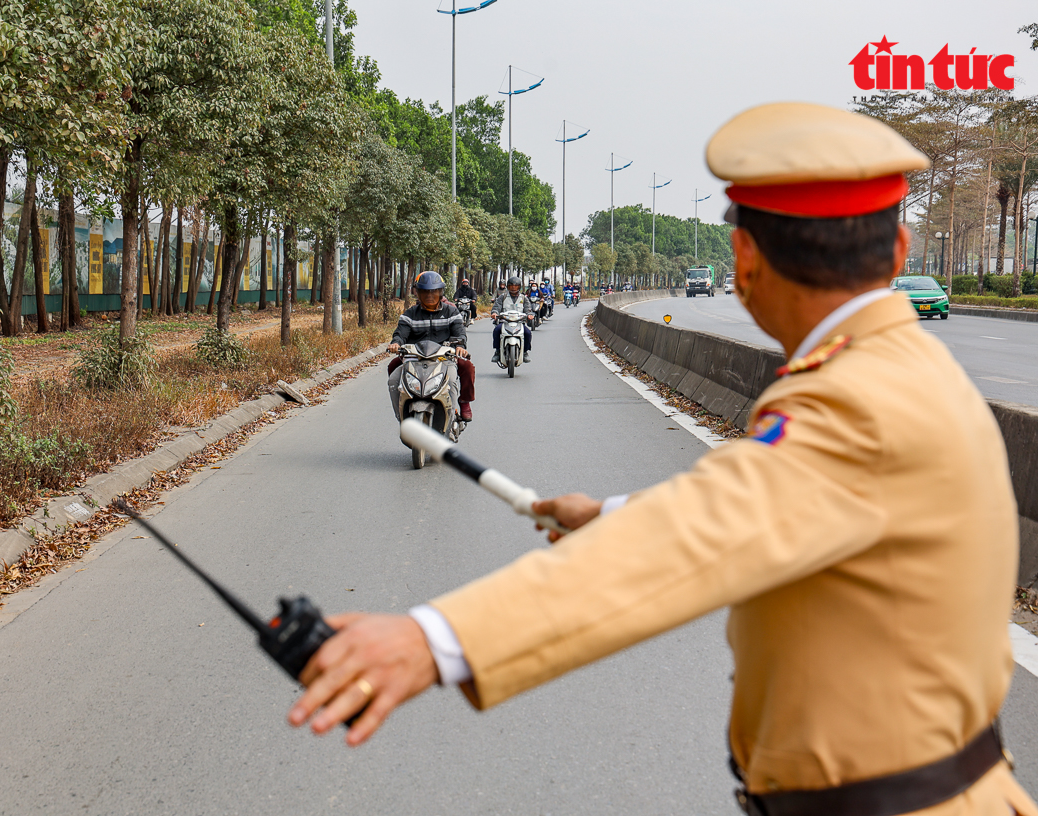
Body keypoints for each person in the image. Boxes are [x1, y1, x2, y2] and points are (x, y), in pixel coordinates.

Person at [288, 102, 1038, 816]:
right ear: (899, 250)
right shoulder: (906, 367)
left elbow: (703, 529)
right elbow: (775, 506)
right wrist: (611, 514)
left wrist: (433, 640)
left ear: (742, 257)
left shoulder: (855, 401)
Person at [387, 271, 475, 422]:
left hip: (443, 358)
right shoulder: (410, 314)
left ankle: (459, 407)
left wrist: (460, 345)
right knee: (393, 378)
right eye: (425, 292)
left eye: (434, 292)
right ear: (418, 294)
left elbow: (459, 332)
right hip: (415, 358)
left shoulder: (451, 311)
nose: (429, 296)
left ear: (441, 292)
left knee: (463, 371)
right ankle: (402, 416)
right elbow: (401, 333)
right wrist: (396, 343)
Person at [490, 276, 532, 364]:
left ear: (519, 287)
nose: (513, 288)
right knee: (497, 330)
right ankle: (497, 351)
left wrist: (529, 315)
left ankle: (525, 352)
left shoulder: (523, 298)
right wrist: (494, 313)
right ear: (507, 287)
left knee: (528, 333)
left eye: (515, 286)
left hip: (519, 323)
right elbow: (496, 307)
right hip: (505, 322)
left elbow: (528, 309)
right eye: (511, 286)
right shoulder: (503, 297)